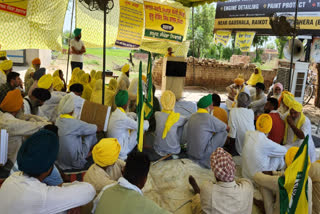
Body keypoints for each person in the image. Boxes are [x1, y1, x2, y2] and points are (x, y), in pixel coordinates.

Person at [0, 129, 96, 213]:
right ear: (49, 167)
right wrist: (72, 200)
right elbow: (89, 190)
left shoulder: (11, 179)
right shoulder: (41, 196)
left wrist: (68, 197)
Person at [93, 152, 171, 214]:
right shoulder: (147, 206)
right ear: (144, 180)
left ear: (123, 171)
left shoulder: (105, 190)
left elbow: (94, 210)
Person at [189, 148, 253, 214]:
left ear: (215, 173)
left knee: (198, 202)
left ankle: (197, 192)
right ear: (234, 168)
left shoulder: (207, 188)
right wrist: (228, 177)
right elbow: (241, 181)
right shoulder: (247, 186)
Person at [253, 147, 312, 214]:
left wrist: (262, 172)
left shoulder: (281, 181)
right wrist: (274, 173)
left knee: (263, 184)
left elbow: (257, 177)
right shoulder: (308, 179)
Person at [0, 89, 50, 168]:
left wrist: (33, 118)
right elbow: (32, 127)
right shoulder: (10, 123)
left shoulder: (4, 117)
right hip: (11, 164)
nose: (23, 107)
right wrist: (49, 124)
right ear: (16, 108)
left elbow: (25, 117)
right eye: (22, 104)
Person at [55, 94, 98, 170]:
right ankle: (88, 154)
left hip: (60, 162)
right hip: (75, 163)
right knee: (92, 133)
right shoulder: (74, 123)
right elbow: (95, 128)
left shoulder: (58, 120)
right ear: (72, 109)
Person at [186, 94, 228, 168]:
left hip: (189, 152)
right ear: (207, 107)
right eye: (211, 106)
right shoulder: (208, 118)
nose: (212, 108)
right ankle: (211, 157)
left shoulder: (192, 116)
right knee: (223, 132)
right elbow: (225, 127)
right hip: (201, 156)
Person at [242, 114, 287, 179]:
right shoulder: (266, 142)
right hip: (257, 178)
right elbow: (284, 151)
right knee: (279, 157)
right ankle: (281, 173)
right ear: (269, 127)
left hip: (245, 174)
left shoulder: (248, 134)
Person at [107, 90, 149, 160]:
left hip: (114, 146)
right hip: (121, 151)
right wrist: (146, 121)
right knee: (141, 129)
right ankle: (139, 150)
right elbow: (142, 126)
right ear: (125, 104)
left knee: (131, 117)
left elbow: (127, 116)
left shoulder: (115, 113)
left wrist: (135, 115)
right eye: (128, 101)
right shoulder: (122, 118)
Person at [148, 90, 187, 160]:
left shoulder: (157, 114)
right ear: (173, 102)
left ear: (162, 101)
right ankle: (174, 153)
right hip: (174, 149)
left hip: (158, 148)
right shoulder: (178, 118)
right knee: (181, 127)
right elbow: (185, 119)